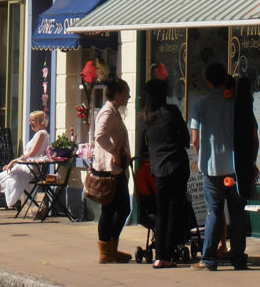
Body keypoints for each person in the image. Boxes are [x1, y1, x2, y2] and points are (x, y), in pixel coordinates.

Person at [189, 62, 249, 271]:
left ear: (208, 81)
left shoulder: (201, 105)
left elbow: (195, 139)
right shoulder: (234, 103)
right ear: (225, 78)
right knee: (237, 212)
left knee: (214, 212)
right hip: (234, 167)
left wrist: (201, 159)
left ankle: (210, 258)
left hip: (211, 168)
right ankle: (238, 257)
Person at [141, 78, 190, 269]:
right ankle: (169, 255)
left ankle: (159, 256)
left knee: (161, 213)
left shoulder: (146, 117)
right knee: (174, 212)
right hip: (177, 167)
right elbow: (185, 138)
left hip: (158, 170)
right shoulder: (172, 112)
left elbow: (143, 147)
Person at [0, 111, 49, 219]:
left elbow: (31, 154)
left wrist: (14, 161)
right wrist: (15, 163)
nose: (31, 123)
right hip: (27, 168)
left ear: (39, 121)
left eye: (33, 120)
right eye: (30, 120)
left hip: (30, 170)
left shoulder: (41, 134)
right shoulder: (43, 134)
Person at [94, 77, 133, 264]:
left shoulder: (113, 112)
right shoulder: (107, 113)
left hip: (115, 168)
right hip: (111, 170)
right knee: (119, 208)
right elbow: (99, 135)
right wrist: (115, 152)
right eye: (126, 93)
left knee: (112, 209)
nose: (129, 96)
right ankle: (107, 250)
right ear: (117, 94)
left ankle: (109, 250)